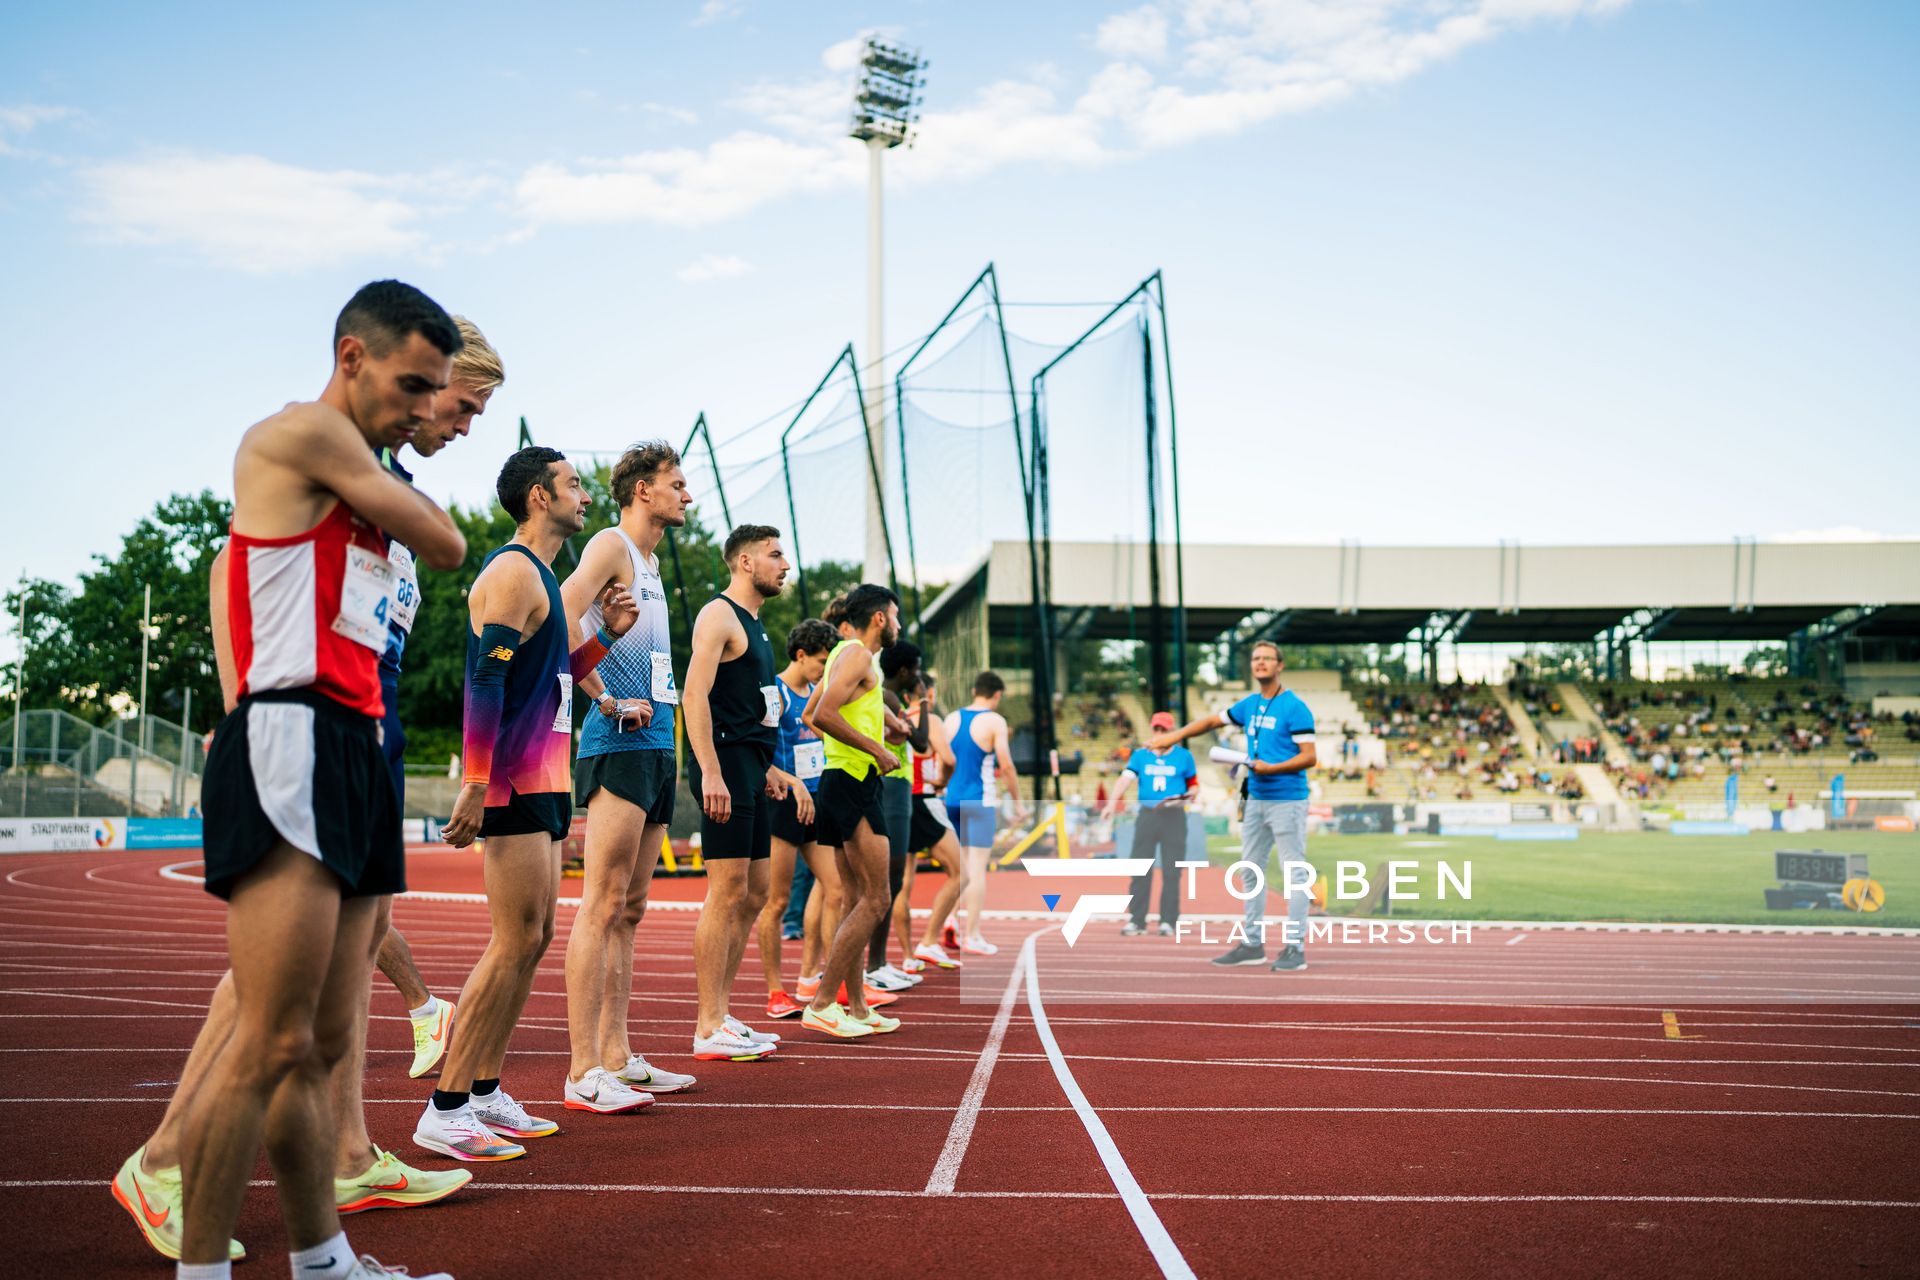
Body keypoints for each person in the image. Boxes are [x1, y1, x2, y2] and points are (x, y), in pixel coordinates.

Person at [112, 316, 502, 1267]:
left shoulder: (369, 479)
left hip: (360, 735)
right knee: (270, 1030)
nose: (443, 416)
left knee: (314, 1040)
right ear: (360, 360)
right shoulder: (311, 441)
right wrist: (245, 702)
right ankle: (184, 1213)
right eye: (438, 394)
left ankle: (330, 1240)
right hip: (294, 734)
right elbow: (440, 547)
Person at [414, 447, 640, 1155]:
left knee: (534, 938)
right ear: (539, 496)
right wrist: (478, 783)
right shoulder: (511, 572)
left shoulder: (544, 576)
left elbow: (550, 678)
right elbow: (487, 683)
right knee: (512, 940)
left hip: (548, 777)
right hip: (511, 779)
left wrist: (604, 639)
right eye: (574, 485)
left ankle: (483, 1092)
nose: (585, 497)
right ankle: (445, 1107)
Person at [560, 441, 699, 1108]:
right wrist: (601, 695)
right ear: (644, 490)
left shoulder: (648, 562)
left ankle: (617, 1055)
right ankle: (583, 1069)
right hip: (615, 738)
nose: (687, 495)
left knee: (632, 908)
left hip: (657, 742)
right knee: (603, 900)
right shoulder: (612, 546)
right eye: (676, 483)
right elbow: (559, 612)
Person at [683, 524, 795, 1060]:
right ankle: (707, 1025)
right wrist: (709, 770)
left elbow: (752, 708)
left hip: (751, 766)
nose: (785, 564)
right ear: (745, 562)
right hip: (722, 765)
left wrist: (769, 767)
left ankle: (722, 1014)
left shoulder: (758, 625)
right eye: (775, 555)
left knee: (754, 894)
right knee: (726, 893)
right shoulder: (718, 614)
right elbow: (694, 694)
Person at [1152, 641, 1317, 972]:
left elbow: (1309, 757)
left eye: (1267, 658)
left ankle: (1295, 948)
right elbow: (1213, 722)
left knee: (1294, 873)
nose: (1260, 663)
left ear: (1279, 665)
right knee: (1250, 870)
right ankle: (1252, 943)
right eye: (1255, 658)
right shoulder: (1251, 705)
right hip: (1255, 798)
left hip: (1287, 799)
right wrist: (1172, 737)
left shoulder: (1295, 707)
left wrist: (1273, 767)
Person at [800, 584, 907, 1038]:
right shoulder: (859, 655)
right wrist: (876, 750)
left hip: (840, 780)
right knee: (877, 897)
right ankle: (823, 1003)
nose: (899, 625)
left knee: (853, 898)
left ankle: (858, 1007)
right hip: (854, 781)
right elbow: (823, 714)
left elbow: (809, 712)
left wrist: (884, 726)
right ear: (880, 617)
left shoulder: (845, 652)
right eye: (896, 616)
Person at [755, 618, 841, 1019]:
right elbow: (759, 753)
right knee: (777, 901)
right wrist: (793, 783)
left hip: (815, 802)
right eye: (821, 661)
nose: (825, 669)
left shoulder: (816, 696)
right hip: (783, 803)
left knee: (836, 889)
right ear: (801, 655)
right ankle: (776, 992)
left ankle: (810, 975)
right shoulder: (776, 693)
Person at [943, 671, 1026, 955]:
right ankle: (973, 935)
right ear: (997, 695)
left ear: (974, 689)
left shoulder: (951, 718)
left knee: (957, 869)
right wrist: (1018, 803)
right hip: (979, 801)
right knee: (976, 868)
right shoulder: (995, 721)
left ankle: (949, 919)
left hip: (950, 798)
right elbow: (1007, 765)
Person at [867, 641, 932, 993]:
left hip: (897, 786)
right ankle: (874, 964)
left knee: (892, 880)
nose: (920, 676)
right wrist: (923, 701)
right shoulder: (889, 698)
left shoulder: (887, 696)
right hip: (892, 786)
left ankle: (878, 962)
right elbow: (921, 743)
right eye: (917, 669)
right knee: (889, 878)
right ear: (906, 671)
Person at [1104, 711, 1198, 937]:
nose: (1160, 733)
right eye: (1157, 729)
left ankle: (1169, 921)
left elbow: (1194, 786)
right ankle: (1137, 920)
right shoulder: (1140, 755)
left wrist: (1188, 797)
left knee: (1172, 872)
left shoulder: (1184, 757)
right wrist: (1111, 803)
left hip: (1174, 817)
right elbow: (1125, 779)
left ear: (1172, 732)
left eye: (1164, 730)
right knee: (1140, 869)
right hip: (1148, 816)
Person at [900, 672, 968, 971]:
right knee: (960, 874)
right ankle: (928, 940)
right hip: (925, 799)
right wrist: (942, 780)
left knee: (903, 884)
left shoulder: (896, 715)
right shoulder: (932, 721)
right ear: (931, 694)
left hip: (901, 800)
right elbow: (949, 759)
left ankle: (906, 957)